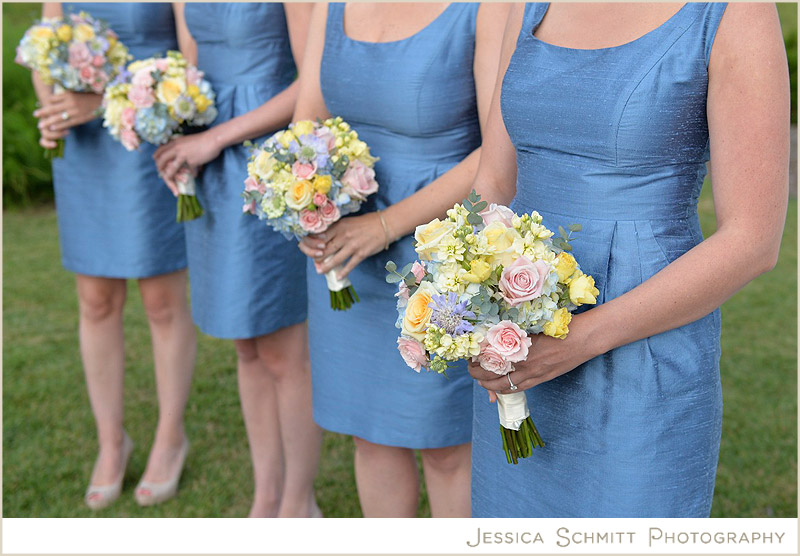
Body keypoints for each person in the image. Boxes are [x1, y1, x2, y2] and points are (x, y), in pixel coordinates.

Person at [467, 2, 789, 517]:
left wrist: (576, 341)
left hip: (644, 346)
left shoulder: (734, 11)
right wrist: (450, 285)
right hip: (518, 334)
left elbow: (753, 239)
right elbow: (493, 184)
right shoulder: (528, 6)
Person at [294, 2, 509, 517]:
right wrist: (304, 196)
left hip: (440, 251)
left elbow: (499, 152)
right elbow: (307, 120)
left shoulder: (488, 8)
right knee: (369, 434)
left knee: (445, 445)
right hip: (342, 241)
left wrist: (386, 226)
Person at [152, 3, 321, 518]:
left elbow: (312, 81)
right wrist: (169, 124)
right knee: (246, 344)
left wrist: (216, 138)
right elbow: (191, 67)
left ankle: (298, 502)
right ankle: (265, 494)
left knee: (282, 348)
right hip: (208, 165)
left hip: (267, 161)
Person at [32, 2, 197, 509]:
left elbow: (190, 69)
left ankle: (171, 437)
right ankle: (111, 442)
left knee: (160, 301)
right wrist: (54, 108)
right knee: (95, 300)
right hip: (84, 144)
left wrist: (103, 98)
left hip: (145, 138)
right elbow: (45, 44)